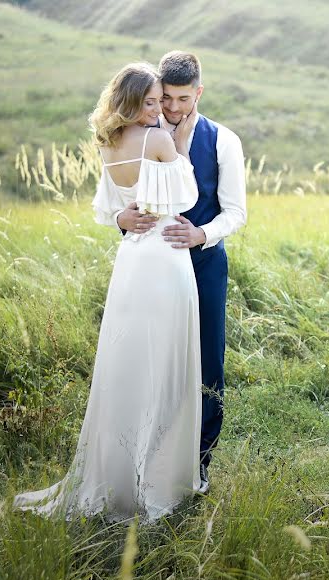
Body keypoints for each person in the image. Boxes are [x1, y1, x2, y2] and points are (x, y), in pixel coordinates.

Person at [12, 62, 202, 523]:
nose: (161, 110)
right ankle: (157, 477)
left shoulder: (109, 143)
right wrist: (183, 138)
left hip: (132, 259)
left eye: (163, 101)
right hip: (164, 256)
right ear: (134, 103)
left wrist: (123, 218)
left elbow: (109, 210)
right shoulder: (158, 138)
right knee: (165, 361)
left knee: (129, 362)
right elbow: (188, 196)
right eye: (152, 102)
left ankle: (119, 468)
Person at [116, 51, 247, 494]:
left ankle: (198, 463)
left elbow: (235, 212)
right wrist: (120, 219)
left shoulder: (223, 140)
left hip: (205, 266)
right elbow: (108, 200)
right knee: (151, 362)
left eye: (182, 99)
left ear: (199, 93)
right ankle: (142, 458)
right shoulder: (135, 134)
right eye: (164, 99)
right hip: (150, 270)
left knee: (208, 362)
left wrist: (203, 235)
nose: (171, 109)